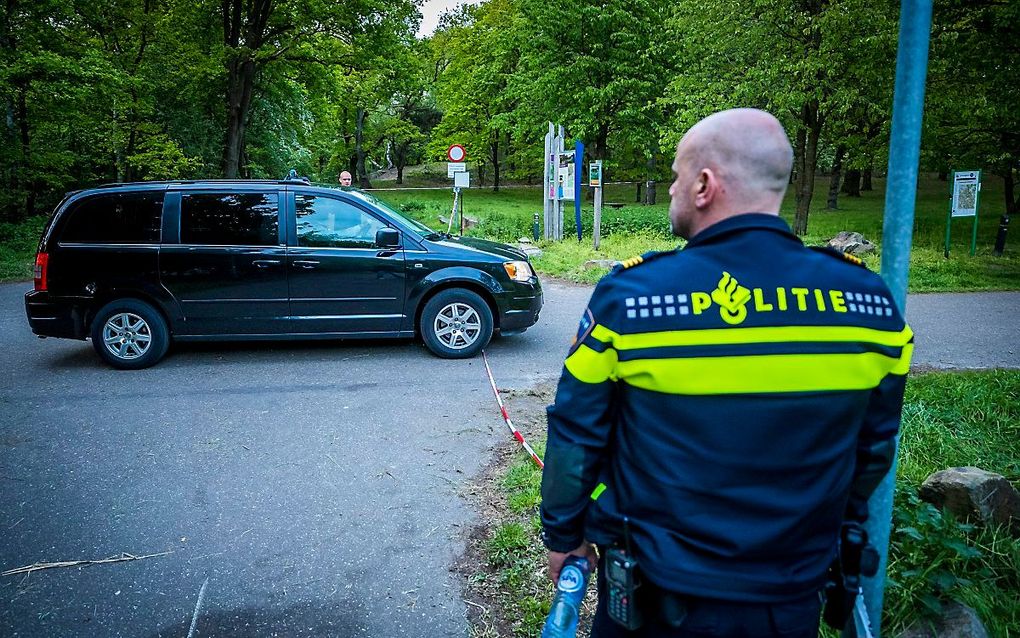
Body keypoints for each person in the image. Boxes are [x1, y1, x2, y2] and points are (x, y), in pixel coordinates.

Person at [539, 108, 913, 637]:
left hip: (655, 598)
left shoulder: (635, 300)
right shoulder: (871, 304)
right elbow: (873, 450)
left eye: (675, 175)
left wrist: (563, 535)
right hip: (791, 596)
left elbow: (576, 435)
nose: (671, 188)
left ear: (703, 185)